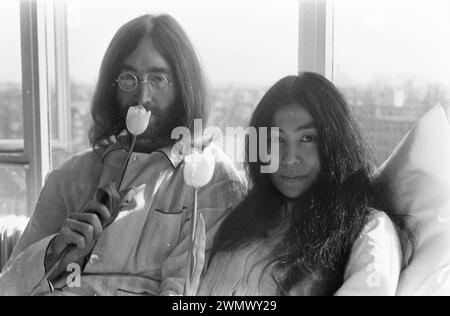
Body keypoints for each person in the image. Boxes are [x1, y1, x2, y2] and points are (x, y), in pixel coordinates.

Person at [0, 14, 244, 296]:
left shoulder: (211, 176)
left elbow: (188, 290)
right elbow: (8, 286)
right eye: (128, 78)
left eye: (158, 78)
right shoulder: (70, 176)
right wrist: (53, 253)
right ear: (112, 87)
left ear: (183, 87)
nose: (142, 96)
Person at [196, 73, 415, 296]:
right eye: (277, 139)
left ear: (335, 145)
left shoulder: (367, 231)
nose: (290, 158)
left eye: (307, 139)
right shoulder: (238, 220)